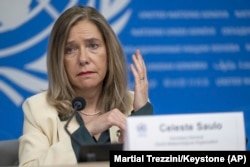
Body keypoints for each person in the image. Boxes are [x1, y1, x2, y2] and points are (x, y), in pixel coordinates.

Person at [18, 5, 153, 166]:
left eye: (93, 46)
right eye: (70, 50)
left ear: (109, 52)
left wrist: (140, 118)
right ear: (59, 60)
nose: (83, 59)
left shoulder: (134, 104)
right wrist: (88, 130)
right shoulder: (38, 109)